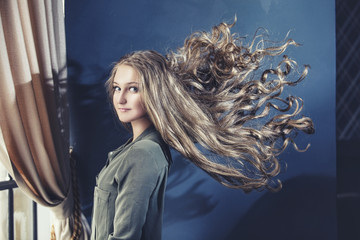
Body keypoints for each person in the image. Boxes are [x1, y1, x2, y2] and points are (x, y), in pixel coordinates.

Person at [90, 19, 314, 239]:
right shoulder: (137, 149)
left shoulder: (142, 154)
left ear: (153, 93)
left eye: (133, 89)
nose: (120, 98)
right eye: (117, 87)